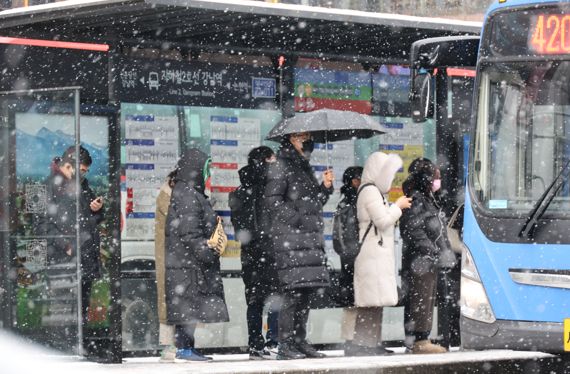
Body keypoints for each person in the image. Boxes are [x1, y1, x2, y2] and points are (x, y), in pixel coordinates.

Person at [264, 132, 334, 360]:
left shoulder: (303, 167)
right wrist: (298, 219)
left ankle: (299, 341)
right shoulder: (281, 165)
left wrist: (324, 188)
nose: (308, 140)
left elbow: (313, 204)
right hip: (291, 241)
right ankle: (285, 345)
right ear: (291, 139)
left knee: (305, 293)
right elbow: (272, 201)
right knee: (292, 293)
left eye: (308, 136)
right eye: (303, 136)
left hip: (307, 240)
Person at [164, 148, 229, 361]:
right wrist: (208, 252)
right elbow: (190, 232)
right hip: (188, 264)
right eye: (206, 169)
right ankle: (184, 348)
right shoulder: (188, 194)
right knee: (188, 307)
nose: (208, 174)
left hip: (186, 263)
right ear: (195, 169)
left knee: (189, 306)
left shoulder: (189, 192)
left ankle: (187, 347)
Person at [348, 152, 411, 356]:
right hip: (371, 255)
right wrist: (398, 207)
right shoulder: (369, 191)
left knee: (376, 301)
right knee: (369, 302)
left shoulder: (374, 191)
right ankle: (362, 343)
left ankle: (371, 342)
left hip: (376, 254)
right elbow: (383, 221)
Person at [229, 146, 280, 360]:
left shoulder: (238, 193)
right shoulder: (270, 191)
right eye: (272, 159)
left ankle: (255, 344)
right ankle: (273, 342)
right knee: (276, 298)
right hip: (271, 252)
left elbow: (240, 227)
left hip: (249, 255)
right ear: (265, 161)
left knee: (255, 301)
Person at [400, 158, 451, 354]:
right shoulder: (417, 199)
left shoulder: (428, 198)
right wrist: (431, 250)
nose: (438, 181)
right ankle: (418, 341)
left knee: (426, 297)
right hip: (420, 260)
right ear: (427, 178)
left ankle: (420, 339)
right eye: (435, 177)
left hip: (427, 260)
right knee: (420, 298)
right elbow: (414, 230)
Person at [154, 168, 178, 362]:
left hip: (176, 257)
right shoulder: (166, 196)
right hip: (170, 256)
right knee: (168, 302)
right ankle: (169, 346)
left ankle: (176, 346)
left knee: (174, 302)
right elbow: (176, 220)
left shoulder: (169, 194)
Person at [332, 166, 363, 307]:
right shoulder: (346, 204)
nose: (361, 181)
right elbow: (337, 234)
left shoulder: (365, 199)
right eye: (358, 178)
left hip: (360, 253)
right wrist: (346, 252)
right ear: (351, 181)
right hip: (351, 255)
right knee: (352, 293)